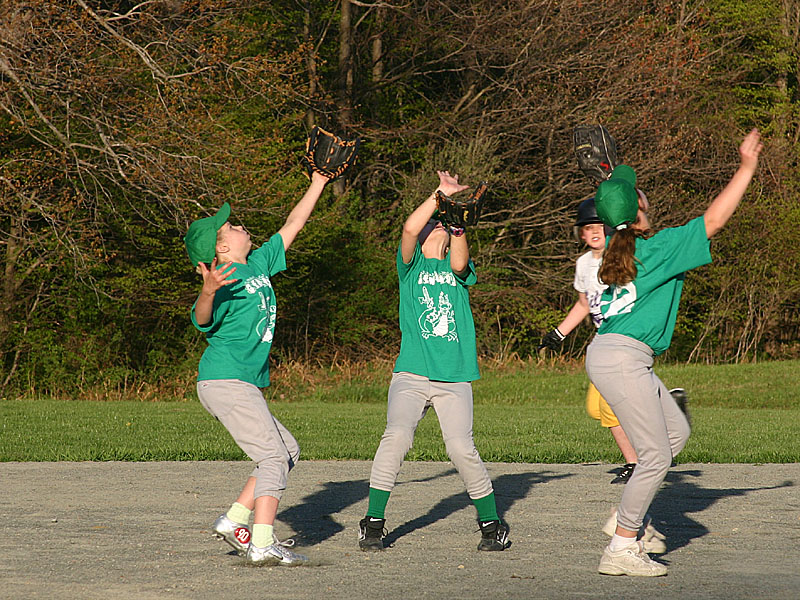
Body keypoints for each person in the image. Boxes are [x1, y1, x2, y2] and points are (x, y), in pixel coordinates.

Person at [585, 129, 762, 577]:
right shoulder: (655, 249)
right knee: (655, 457)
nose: (646, 196)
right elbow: (714, 221)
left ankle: (630, 518)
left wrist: (619, 187)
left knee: (674, 434)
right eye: (641, 196)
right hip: (622, 358)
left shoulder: (619, 250)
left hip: (618, 356)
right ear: (640, 213)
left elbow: (621, 202)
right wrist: (745, 169)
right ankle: (622, 546)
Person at [183, 170, 333, 565]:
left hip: (241, 383)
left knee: (287, 450)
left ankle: (234, 521)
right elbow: (201, 319)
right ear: (221, 250)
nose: (237, 223)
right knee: (271, 456)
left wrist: (318, 182)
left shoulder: (259, 265)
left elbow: (293, 223)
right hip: (224, 380)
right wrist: (209, 289)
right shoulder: (224, 279)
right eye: (229, 226)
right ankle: (262, 541)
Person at [358, 170, 510, 553]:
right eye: (436, 224)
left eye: (444, 224)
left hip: (454, 377)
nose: (437, 227)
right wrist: (439, 195)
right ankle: (373, 522)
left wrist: (457, 227)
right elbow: (409, 230)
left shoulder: (454, 270)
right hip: (412, 373)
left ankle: (491, 524)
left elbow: (460, 265)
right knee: (397, 436)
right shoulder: (411, 269)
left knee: (461, 448)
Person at [540, 196, 691, 485]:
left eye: (599, 225)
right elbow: (584, 304)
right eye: (587, 228)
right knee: (596, 408)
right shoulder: (584, 264)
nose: (594, 231)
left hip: (623, 341)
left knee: (610, 409)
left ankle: (636, 460)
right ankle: (661, 418)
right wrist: (559, 333)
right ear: (580, 234)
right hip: (603, 343)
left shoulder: (619, 255)